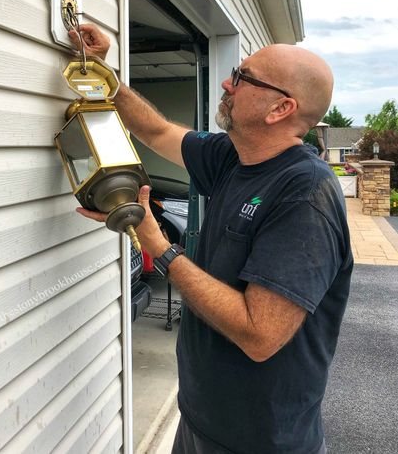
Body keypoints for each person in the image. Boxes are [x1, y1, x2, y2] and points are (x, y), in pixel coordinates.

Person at [70, 25, 353, 454]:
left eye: (242, 76)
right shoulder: (231, 157)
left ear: (280, 108)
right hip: (202, 420)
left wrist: (160, 248)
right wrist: (105, 74)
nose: (227, 82)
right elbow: (158, 132)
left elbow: (261, 335)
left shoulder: (305, 195)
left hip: (260, 442)